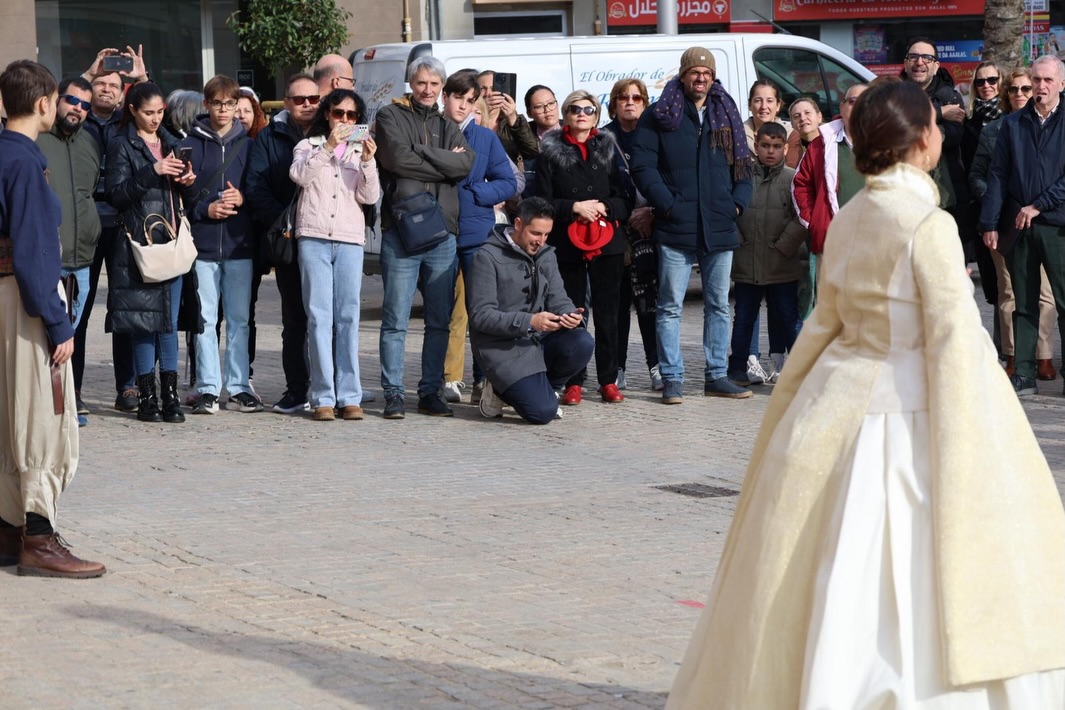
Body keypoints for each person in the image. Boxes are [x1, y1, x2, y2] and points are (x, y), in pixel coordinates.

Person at [667, 78, 1065, 709]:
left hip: (833, 405)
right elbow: (955, 343)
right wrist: (992, 444)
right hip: (907, 414)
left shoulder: (851, 215)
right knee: (908, 568)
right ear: (923, 140)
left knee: (831, 567)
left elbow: (827, 320)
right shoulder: (926, 223)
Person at [0, 59, 106, 578]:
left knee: (8, 413)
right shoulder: (23, 161)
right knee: (42, 414)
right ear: (44, 103)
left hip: (6, 299)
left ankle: (6, 529)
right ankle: (37, 536)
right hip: (24, 302)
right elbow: (34, 252)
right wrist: (59, 324)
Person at [631, 46, 754, 404]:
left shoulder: (727, 114)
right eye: (695, 72)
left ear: (713, 78)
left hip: (719, 223)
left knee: (718, 304)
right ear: (683, 75)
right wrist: (666, 204)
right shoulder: (659, 115)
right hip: (675, 224)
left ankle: (717, 375)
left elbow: (743, 168)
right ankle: (672, 378)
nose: (701, 78)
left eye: (707, 73)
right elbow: (642, 165)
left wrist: (737, 205)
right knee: (670, 305)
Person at [374, 56, 473, 420]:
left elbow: (465, 166)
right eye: (421, 83)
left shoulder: (449, 123)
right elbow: (396, 160)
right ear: (410, 84)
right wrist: (443, 160)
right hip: (401, 230)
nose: (427, 90)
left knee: (439, 320)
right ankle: (393, 393)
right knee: (395, 319)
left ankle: (431, 391)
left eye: (434, 84)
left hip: (443, 232)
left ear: (441, 88)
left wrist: (423, 154)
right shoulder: (388, 116)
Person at [105, 81, 197, 424]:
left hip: (170, 243)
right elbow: (116, 194)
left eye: (160, 112)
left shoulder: (173, 143)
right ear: (132, 110)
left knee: (169, 323)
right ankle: (147, 397)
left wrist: (187, 181)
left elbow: (186, 197)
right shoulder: (121, 145)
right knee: (143, 322)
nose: (155, 119)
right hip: (138, 247)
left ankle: (170, 397)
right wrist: (153, 170)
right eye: (148, 113)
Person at [536, 89, 632, 405]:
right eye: (575, 108)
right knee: (571, 312)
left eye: (588, 109)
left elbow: (626, 196)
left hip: (606, 242)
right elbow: (542, 201)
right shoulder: (550, 151)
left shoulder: (608, 147)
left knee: (609, 314)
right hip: (567, 243)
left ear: (596, 115)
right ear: (565, 114)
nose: (582, 113)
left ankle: (608, 379)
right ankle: (572, 380)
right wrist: (574, 207)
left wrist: (604, 206)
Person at [289, 89, 380, 422]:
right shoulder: (308, 146)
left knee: (348, 317)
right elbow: (300, 176)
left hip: (349, 238)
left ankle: (350, 395)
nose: (344, 120)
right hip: (313, 236)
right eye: (338, 113)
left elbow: (369, 197)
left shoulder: (359, 151)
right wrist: (328, 146)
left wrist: (368, 161)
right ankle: (323, 395)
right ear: (326, 114)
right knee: (319, 317)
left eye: (351, 116)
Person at [980, 55, 1065, 397]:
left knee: (1063, 301)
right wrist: (989, 223)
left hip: (1058, 225)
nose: (1040, 87)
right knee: (1024, 302)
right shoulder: (1013, 125)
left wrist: (1039, 205)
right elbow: (998, 175)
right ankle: (1025, 373)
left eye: (1046, 80)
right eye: (1037, 79)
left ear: (1061, 83)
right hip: (1019, 225)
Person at [467, 198, 594, 424]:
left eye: (546, 235)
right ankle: (498, 390)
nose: (541, 241)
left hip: (535, 341)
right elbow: (480, 317)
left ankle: (546, 389)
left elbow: (558, 298)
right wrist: (531, 321)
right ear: (517, 224)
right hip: (501, 350)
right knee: (542, 414)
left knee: (582, 341)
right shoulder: (486, 257)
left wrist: (570, 315)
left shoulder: (546, 254)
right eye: (536, 233)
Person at [180, 74, 260, 415]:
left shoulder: (250, 144)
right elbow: (179, 196)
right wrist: (206, 208)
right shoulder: (190, 144)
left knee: (240, 319)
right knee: (205, 319)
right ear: (206, 104)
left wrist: (243, 198)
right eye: (217, 103)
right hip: (203, 245)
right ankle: (209, 387)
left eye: (230, 104)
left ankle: (239, 386)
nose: (224, 110)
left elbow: (260, 193)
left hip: (240, 246)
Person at [440, 72, 517, 404]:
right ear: (445, 97)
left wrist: (476, 193)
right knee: (444, 312)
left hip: (475, 236)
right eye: (458, 97)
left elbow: (508, 181)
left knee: (481, 311)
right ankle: (445, 379)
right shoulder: (430, 130)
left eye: (471, 100)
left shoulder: (485, 138)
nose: (464, 104)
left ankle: (483, 380)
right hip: (437, 235)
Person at [245, 73, 319, 414]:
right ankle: (296, 389)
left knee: (329, 319)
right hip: (290, 238)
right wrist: (287, 220)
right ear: (286, 103)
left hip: (327, 237)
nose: (307, 105)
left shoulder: (332, 130)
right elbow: (255, 186)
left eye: (313, 99)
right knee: (295, 321)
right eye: (299, 99)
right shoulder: (269, 137)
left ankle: (330, 387)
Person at [37, 76, 102, 426]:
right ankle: (48, 408)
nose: (78, 109)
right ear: (55, 100)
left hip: (83, 258)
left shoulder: (90, 143)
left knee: (71, 334)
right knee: (47, 335)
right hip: (49, 257)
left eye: (85, 106)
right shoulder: (36, 140)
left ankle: (67, 403)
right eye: (72, 101)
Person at [78, 65, 141, 415]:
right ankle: (73, 388)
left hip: (122, 221)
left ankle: (127, 386)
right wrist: (86, 75)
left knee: (125, 306)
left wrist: (144, 82)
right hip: (86, 223)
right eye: (99, 83)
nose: (105, 89)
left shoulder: (128, 121)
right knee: (80, 309)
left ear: (122, 92)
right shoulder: (77, 119)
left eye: (113, 85)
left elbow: (165, 121)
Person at [727, 122, 806, 386]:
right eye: (764, 146)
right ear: (756, 146)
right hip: (747, 262)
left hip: (782, 264)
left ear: (785, 148)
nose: (770, 152)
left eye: (775, 147)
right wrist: (739, 241)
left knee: (788, 317)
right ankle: (737, 367)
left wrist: (784, 245)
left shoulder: (793, 178)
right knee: (744, 318)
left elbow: (802, 217)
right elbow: (729, 211)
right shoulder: (741, 177)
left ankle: (799, 370)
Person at [602, 77, 661, 392]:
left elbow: (668, 180)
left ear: (645, 102)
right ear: (613, 103)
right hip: (616, 229)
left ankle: (656, 365)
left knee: (650, 304)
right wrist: (627, 213)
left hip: (651, 230)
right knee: (617, 304)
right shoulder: (603, 138)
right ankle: (617, 368)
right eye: (623, 97)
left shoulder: (656, 136)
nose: (630, 102)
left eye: (637, 98)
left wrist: (651, 212)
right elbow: (599, 185)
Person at [790, 82, 868, 319]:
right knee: (833, 315)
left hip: (876, 244)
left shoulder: (889, 142)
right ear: (842, 107)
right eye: (852, 101)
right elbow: (800, 184)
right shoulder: (822, 143)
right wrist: (815, 222)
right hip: (832, 242)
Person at [477, 70, 539, 162]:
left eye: (493, 88)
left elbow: (532, 152)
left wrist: (513, 119)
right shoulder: (470, 117)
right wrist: (482, 111)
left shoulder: (512, 120)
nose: (488, 93)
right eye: (483, 89)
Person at [742, 79, 800, 168]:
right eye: (758, 100)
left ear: (778, 105)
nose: (764, 106)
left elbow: (791, 173)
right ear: (750, 105)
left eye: (769, 101)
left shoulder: (790, 135)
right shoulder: (737, 134)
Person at [786, 95, 822, 164]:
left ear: (819, 117)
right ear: (792, 124)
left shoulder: (832, 142)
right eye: (797, 116)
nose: (802, 118)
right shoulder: (789, 149)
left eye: (807, 113)